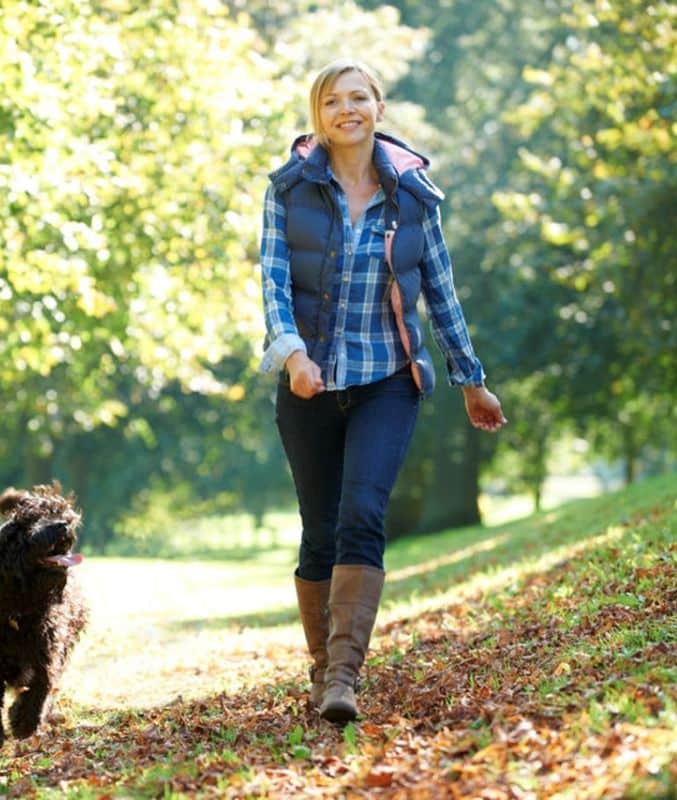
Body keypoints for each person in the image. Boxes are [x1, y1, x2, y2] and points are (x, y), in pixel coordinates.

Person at [259, 59, 506, 724]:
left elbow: (442, 293)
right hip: (309, 386)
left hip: (387, 381)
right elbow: (273, 286)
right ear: (319, 115)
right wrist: (292, 355)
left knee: (362, 516)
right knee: (319, 533)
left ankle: (343, 677)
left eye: (359, 97)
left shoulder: (414, 197)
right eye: (333, 101)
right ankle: (321, 670)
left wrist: (470, 380)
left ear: (379, 107)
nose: (348, 110)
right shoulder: (288, 190)